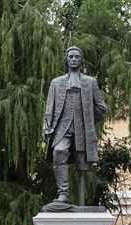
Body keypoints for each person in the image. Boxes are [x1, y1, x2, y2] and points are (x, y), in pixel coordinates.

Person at [43, 46, 107, 205]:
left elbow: (101, 107)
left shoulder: (90, 82)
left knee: (82, 163)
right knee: (58, 152)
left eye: (76, 57)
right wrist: (46, 127)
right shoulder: (56, 83)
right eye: (70, 56)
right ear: (66, 59)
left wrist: (89, 119)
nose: (73, 59)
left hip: (82, 128)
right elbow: (49, 108)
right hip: (62, 128)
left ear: (81, 60)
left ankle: (82, 199)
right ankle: (63, 193)